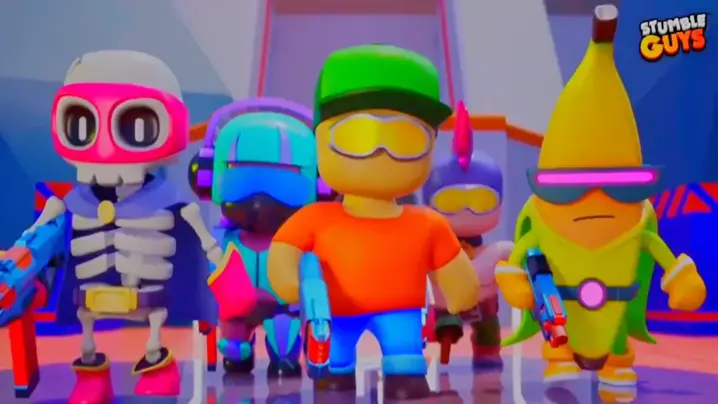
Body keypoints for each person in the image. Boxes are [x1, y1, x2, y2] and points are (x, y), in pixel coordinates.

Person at [497, 6, 707, 401]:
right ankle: (561, 361)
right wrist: (515, 281)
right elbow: (516, 262)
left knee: (617, 347)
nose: (595, 199)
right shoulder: (541, 224)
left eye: (624, 188)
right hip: (562, 314)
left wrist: (682, 279)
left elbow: (665, 257)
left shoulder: (639, 226)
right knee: (559, 344)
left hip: (616, 309)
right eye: (565, 189)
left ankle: (615, 366)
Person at [267, 44, 479, 400]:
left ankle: (403, 378)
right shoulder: (315, 219)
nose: (381, 149)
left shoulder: (428, 224)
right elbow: (284, 252)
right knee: (334, 377)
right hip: (336, 316)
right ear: (322, 140)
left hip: (401, 314)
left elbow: (456, 274)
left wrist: (462, 294)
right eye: (357, 135)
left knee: (406, 371)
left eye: (405, 138)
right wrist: (293, 284)